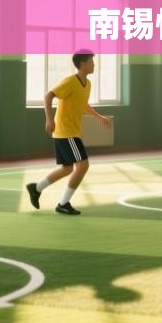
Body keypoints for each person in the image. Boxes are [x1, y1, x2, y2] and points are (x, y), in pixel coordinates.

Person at [26, 50, 111, 215]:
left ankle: (36, 188)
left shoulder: (87, 84)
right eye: (91, 61)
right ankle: (63, 203)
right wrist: (49, 119)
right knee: (83, 165)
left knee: (67, 168)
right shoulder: (70, 81)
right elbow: (48, 96)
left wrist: (99, 117)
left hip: (69, 132)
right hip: (66, 132)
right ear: (83, 64)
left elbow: (84, 105)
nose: (94, 64)